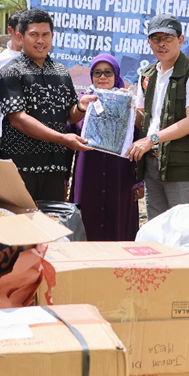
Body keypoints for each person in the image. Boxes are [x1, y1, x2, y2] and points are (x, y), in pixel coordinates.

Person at [0, 9, 94, 201]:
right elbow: (18, 119)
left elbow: (70, 114)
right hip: (19, 168)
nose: (40, 40)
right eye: (34, 34)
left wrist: (81, 106)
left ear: (52, 36)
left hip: (55, 167)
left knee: (51, 226)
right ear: (20, 37)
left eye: (45, 34)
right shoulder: (10, 72)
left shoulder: (61, 71)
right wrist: (62, 139)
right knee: (19, 226)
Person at [126, 13, 189, 221]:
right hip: (151, 165)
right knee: (156, 229)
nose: (161, 44)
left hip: (182, 167)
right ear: (149, 42)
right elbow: (142, 119)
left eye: (168, 38)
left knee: (185, 231)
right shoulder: (146, 74)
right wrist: (121, 111)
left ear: (180, 40)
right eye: (156, 38)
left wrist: (151, 139)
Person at [69, 55, 141, 240]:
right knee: (86, 220)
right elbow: (69, 131)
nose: (103, 77)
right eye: (97, 72)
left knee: (118, 221)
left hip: (120, 175)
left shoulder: (127, 101)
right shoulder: (83, 101)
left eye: (108, 72)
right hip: (88, 172)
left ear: (116, 75)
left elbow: (140, 137)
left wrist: (139, 181)